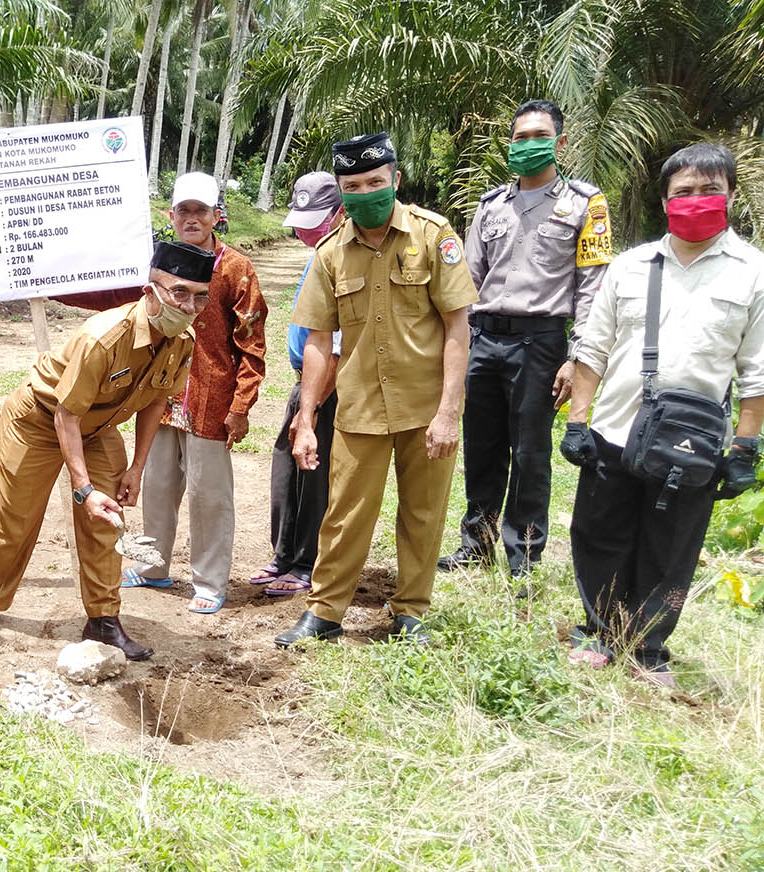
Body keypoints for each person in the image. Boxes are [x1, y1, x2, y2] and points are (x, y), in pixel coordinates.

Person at [560, 142, 764, 687]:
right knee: (599, 532)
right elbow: (591, 349)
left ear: (731, 196)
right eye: (684, 192)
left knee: (670, 544)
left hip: (692, 444)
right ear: (665, 199)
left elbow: (757, 371)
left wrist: (745, 448)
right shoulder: (630, 266)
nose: (696, 201)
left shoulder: (752, 274)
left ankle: (647, 646)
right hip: (616, 430)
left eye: (708, 191)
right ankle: (601, 630)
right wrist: (578, 423)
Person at [275, 132, 478, 648]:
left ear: (396, 180)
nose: (365, 192)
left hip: (425, 407)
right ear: (341, 191)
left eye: (374, 182)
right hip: (360, 407)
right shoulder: (330, 254)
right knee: (345, 513)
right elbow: (319, 342)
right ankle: (325, 613)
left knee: (424, 513)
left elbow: (458, 327)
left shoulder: (433, 237)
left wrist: (450, 412)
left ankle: (411, 611)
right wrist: (305, 420)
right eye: (353, 185)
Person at [0, 242, 209, 659]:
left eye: (200, 296)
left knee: (106, 520)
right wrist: (83, 487)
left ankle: (102, 620)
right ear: (150, 292)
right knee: (14, 518)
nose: (190, 306)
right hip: (40, 419)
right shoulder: (104, 338)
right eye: (179, 292)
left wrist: (136, 468)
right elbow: (65, 416)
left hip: (97, 426)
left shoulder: (182, 339)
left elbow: (155, 402)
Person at [439, 99, 612, 581]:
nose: (527, 145)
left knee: (531, 451)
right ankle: (477, 541)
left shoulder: (584, 204)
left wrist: (577, 357)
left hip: (541, 344)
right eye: (519, 138)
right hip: (484, 337)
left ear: (560, 142)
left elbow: (592, 286)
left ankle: (524, 553)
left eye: (539, 136)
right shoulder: (491, 205)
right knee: (482, 443)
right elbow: (466, 280)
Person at [121, 172, 266, 613]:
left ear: (216, 215)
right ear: (171, 215)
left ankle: (209, 580)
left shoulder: (236, 268)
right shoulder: (159, 263)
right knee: (157, 485)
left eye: (200, 211)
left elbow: (252, 343)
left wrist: (241, 406)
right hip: (161, 398)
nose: (191, 218)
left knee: (209, 494)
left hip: (211, 398)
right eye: (183, 210)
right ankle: (153, 568)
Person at [258, 171, 343, 595]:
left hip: (327, 384)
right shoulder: (318, 254)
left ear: (339, 212)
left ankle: (306, 562)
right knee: (285, 467)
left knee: (314, 472)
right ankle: (282, 554)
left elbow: (338, 350)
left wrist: (311, 410)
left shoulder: (342, 256)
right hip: (303, 382)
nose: (307, 233)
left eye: (316, 223)